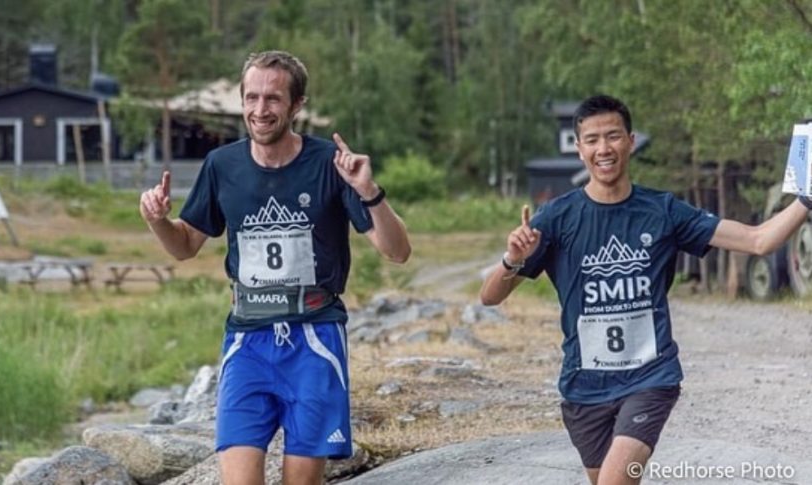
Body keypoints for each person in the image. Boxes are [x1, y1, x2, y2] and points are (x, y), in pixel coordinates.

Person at [480, 94, 812, 485]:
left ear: (630, 141)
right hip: (584, 388)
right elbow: (490, 296)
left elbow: (758, 240)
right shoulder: (556, 217)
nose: (604, 148)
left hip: (650, 379)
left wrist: (806, 199)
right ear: (580, 149)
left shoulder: (663, 211)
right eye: (592, 140)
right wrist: (513, 258)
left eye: (613, 136)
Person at [140, 50, 410, 485]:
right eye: (251, 97)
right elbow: (185, 245)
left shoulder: (329, 164)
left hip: (314, 339)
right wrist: (158, 221)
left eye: (273, 99)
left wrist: (369, 191)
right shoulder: (222, 165)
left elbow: (397, 252)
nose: (260, 110)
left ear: (297, 104)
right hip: (247, 339)